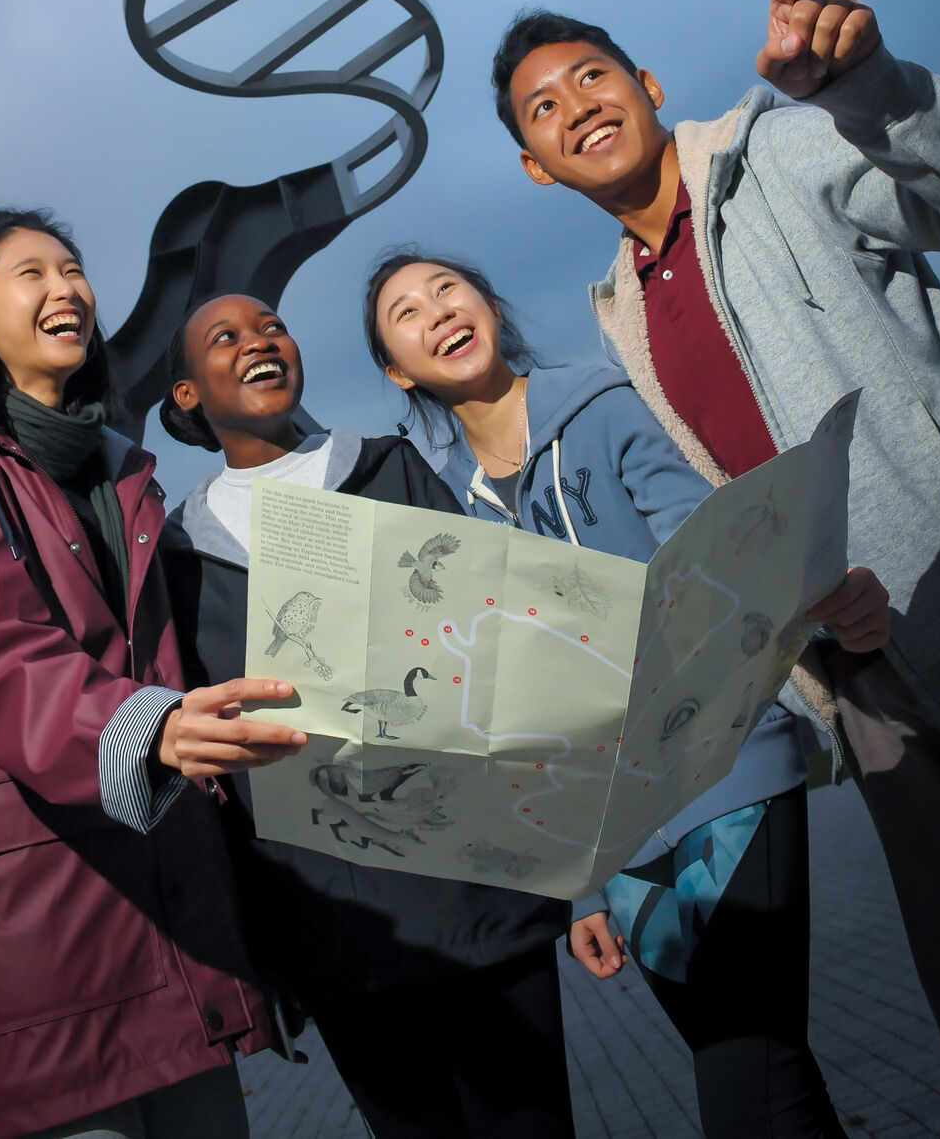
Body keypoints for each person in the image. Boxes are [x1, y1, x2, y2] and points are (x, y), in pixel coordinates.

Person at [489, 0, 940, 1093]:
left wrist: (876, 87)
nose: (576, 108)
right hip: (861, 689)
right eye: (543, 109)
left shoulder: (774, 149)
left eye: (591, 79)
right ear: (531, 166)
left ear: (648, 86)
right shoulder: (614, 314)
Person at [368, 248, 889, 1139]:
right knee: (775, 1082)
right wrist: (580, 891)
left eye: (447, 288)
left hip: (722, 771)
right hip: (618, 840)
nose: (437, 312)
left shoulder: (601, 408)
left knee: (747, 1096)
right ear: (395, 368)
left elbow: (721, 553)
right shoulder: (447, 513)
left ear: (489, 302)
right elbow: (516, 713)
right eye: (406, 313)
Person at [0, 209, 307, 1139]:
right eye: (30, 272)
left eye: (74, 267)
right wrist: (149, 729)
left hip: (170, 931)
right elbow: (4, 666)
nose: (66, 287)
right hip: (38, 936)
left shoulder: (130, 478)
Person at [159, 291, 576, 1139]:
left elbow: (498, 651)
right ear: (186, 396)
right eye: (225, 337)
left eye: (272, 324)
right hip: (332, 932)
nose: (258, 341)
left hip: (475, 899)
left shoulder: (389, 469)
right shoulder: (177, 555)